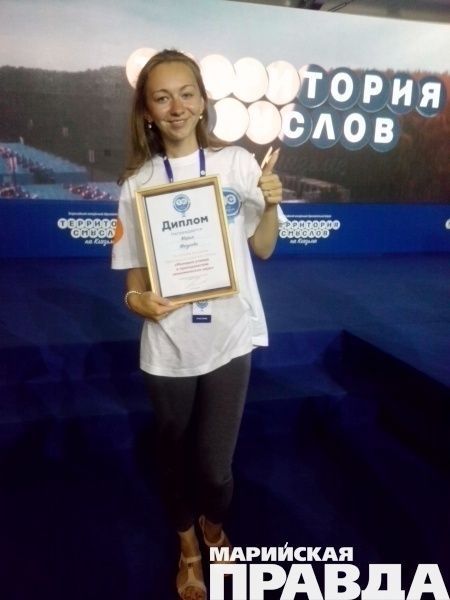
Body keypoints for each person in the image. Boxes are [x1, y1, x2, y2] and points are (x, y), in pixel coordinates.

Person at [112, 49, 282, 600]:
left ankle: (213, 521)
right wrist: (137, 300)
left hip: (229, 339)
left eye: (186, 94)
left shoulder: (236, 165)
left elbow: (263, 248)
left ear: (203, 101)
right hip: (168, 347)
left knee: (213, 469)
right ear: (147, 112)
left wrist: (271, 205)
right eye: (162, 98)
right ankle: (189, 549)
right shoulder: (137, 184)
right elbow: (133, 276)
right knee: (173, 461)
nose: (177, 107)